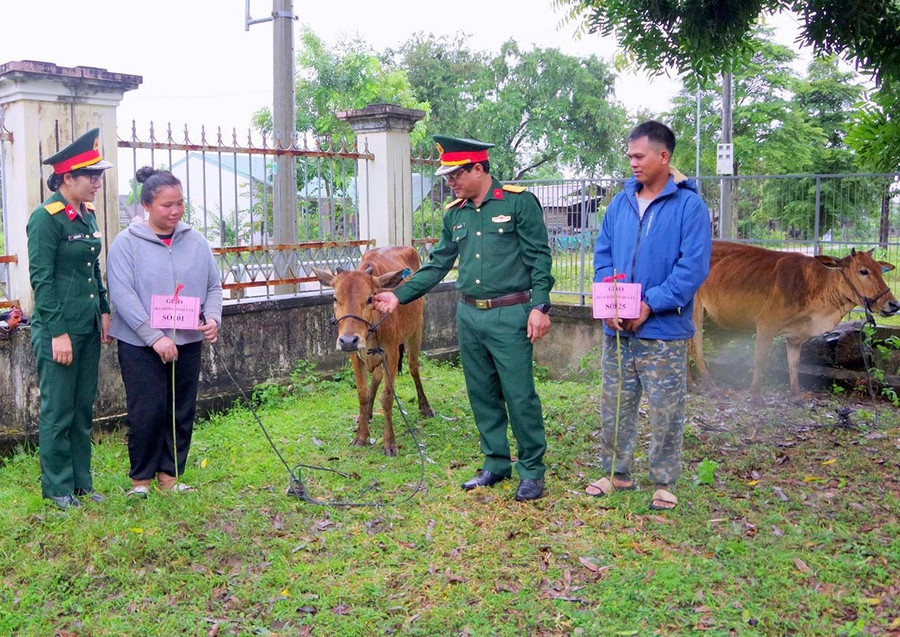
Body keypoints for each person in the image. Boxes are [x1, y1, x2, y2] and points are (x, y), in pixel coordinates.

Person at [373, 136, 554, 502]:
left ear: (478, 169)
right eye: (447, 177)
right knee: (482, 392)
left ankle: (532, 469)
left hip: (510, 312)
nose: (450, 183)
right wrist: (398, 295)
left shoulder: (518, 203)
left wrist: (541, 306)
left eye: (456, 175)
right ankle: (496, 462)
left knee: (519, 395)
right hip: (469, 314)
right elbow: (438, 264)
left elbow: (540, 259)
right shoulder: (455, 213)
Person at [585, 120, 711, 511]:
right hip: (619, 332)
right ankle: (616, 472)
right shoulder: (619, 204)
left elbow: (692, 267)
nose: (632, 163)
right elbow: (603, 256)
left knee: (666, 408)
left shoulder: (689, 206)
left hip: (664, 331)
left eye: (639, 156)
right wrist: (610, 302)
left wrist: (650, 303)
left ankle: (664, 480)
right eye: (629, 156)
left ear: (663, 156)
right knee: (615, 402)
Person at [106, 167, 222, 497]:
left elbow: (213, 286)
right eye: (166, 205)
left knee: (180, 409)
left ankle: (170, 476)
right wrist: (154, 336)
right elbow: (122, 293)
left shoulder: (196, 242)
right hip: (139, 345)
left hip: (186, 340)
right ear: (146, 205)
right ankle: (140, 480)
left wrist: (212, 317)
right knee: (147, 410)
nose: (174, 211)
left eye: (179, 204)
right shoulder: (126, 244)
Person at [27, 128, 114, 510]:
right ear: (67, 178)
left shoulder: (86, 215)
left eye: (98, 175)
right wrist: (57, 333)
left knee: (82, 409)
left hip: (89, 326)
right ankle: (58, 488)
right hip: (59, 330)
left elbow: (92, 268)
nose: (97, 182)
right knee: (58, 410)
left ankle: (82, 484)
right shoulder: (46, 219)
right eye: (90, 176)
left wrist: (106, 309)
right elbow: (41, 280)